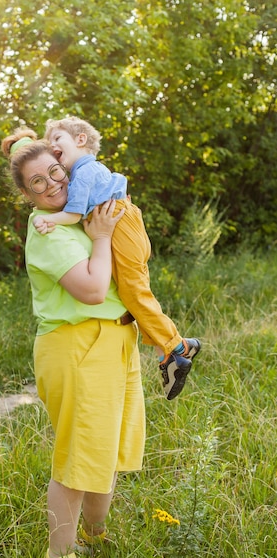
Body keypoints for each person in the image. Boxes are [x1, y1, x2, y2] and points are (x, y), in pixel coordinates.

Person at [1, 127, 146, 558]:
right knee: (78, 456)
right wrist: (101, 237)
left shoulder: (76, 213)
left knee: (109, 451)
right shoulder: (47, 229)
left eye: (55, 171)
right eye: (38, 182)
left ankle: (95, 536)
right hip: (77, 345)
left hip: (118, 340)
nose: (53, 184)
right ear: (27, 195)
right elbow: (91, 288)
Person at [33, 116, 201, 400]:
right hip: (125, 223)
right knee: (132, 292)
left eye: (57, 139)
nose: (52, 146)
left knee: (134, 292)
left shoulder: (84, 172)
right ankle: (177, 346)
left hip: (120, 227)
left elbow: (73, 214)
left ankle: (174, 349)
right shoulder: (87, 171)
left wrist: (50, 222)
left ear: (81, 140)